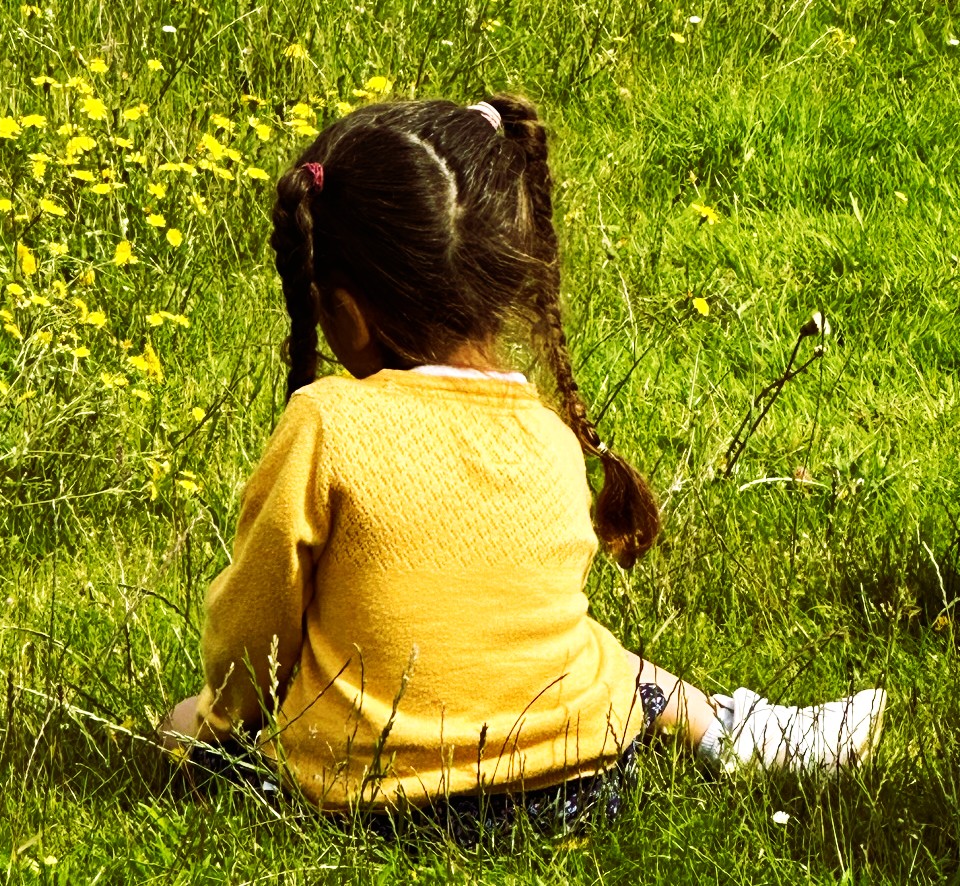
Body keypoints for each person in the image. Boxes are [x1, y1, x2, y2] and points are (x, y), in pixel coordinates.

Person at [158, 96, 885, 835]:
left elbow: (257, 630)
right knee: (599, 654)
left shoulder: (328, 422)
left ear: (346, 311)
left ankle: (746, 733)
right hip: (576, 789)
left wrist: (216, 719)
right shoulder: (546, 434)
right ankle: (747, 734)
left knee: (180, 722)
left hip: (368, 804)